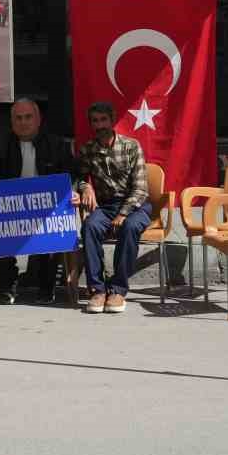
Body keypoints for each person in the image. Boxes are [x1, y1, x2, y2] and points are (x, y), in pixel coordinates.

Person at [0, 98, 76, 304]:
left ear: (38, 119)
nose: (23, 122)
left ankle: (46, 286)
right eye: (18, 118)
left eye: (28, 117)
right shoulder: (1, 146)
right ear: (11, 121)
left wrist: (74, 191)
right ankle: (8, 286)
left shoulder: (57, 145)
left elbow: (71, 175)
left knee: (53, 228)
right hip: (12, 208)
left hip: (46, 208)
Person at [75, 101, 151, 315]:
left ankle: (118, 289)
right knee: (89, 226)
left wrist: (123, 214)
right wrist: (85, 186)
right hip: (106, 206)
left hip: (136, 206)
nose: (100, 125)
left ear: (112, 120)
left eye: (103, 120)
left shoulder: (131, 146)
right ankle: (97, 289)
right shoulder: (88, 150)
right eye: (95, 121)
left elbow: (141, 188)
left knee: (129, 228)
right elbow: (78, 176)